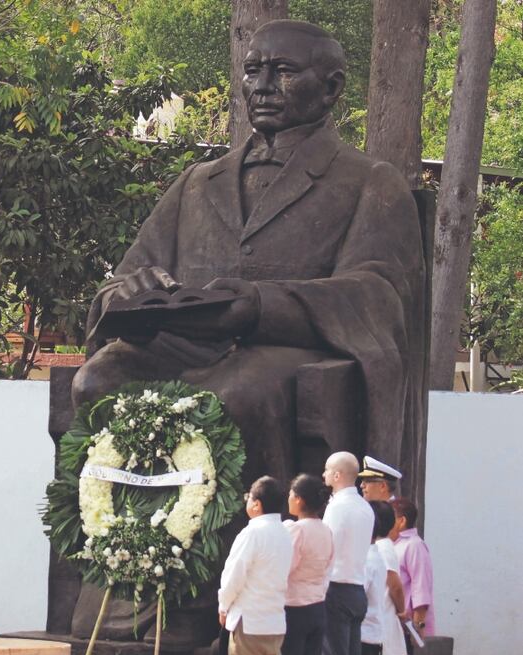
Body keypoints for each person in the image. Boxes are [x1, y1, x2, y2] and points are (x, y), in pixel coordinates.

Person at [71, 19, 425, 490]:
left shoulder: (369, 182)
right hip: (179, 347)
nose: (261, 86)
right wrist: (130, 291)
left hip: (284, 353)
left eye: (283, 71)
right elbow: (121, 279)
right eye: (252, 70)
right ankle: (120, 547)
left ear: (331, 87)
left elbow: (379, 295)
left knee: (237, 394)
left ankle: (261, 546)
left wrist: (261, 306)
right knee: (94, 383)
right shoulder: (197, 182)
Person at [218, 477, 293, 655]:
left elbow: (234, 576)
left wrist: (223, 606)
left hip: (250, 623)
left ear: (257, 505)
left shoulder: (252, 533)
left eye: (248, 498)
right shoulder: (285, 532)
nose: (247, 502)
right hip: (275, 623)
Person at [322, 452, 374, 655]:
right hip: (357, 588)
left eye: (326, 469)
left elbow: (327, 548)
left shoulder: (337, 507)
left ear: (337, 475)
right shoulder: (365, 507)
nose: (323, 473)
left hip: (336, 588)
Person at [281, 474, 334, 655]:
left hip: (294, 607)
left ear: (298, 499)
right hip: (317, 605)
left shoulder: (297, 530)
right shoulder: (326, 530)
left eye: (290, 494)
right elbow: (329, 565)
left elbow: (284, 568)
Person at [361, 501, 406, 655]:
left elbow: (395, 585)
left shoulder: (382, 548)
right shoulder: (380, 546)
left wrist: (402, 611)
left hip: (382, 618)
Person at [390, 498, 434, 647]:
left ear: (401, 521)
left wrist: (418, 624)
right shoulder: (391, 544)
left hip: (406, 624)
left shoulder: (414, 545)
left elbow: (420, 586)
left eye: (390, 519)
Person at [359, 502, 390, 655]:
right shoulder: (375, 556)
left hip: (365, 633)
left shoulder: (367, 560)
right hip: (371, 632)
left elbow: (358, 592)